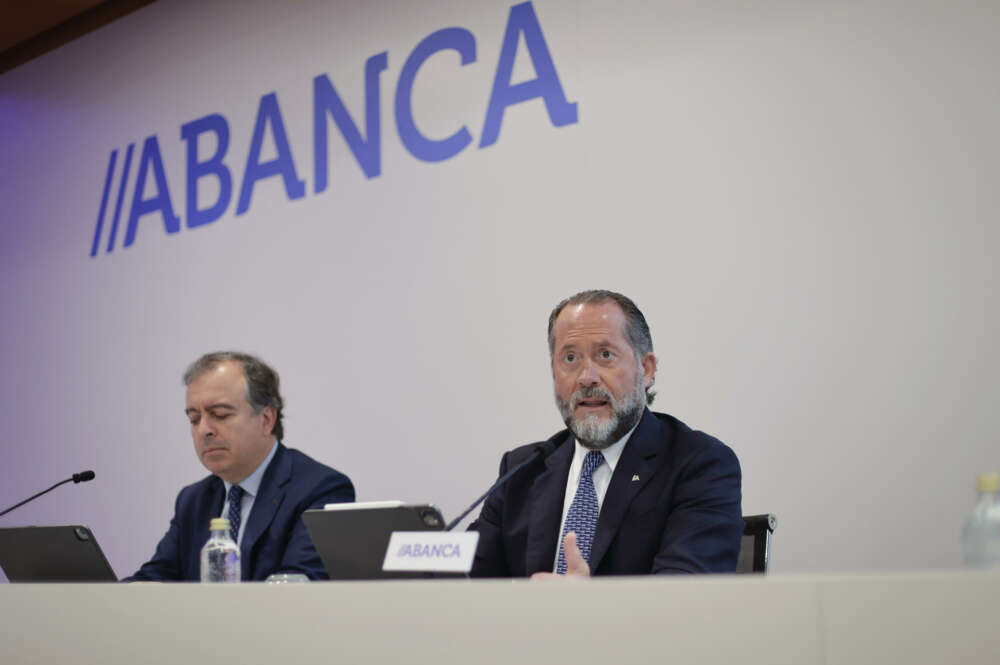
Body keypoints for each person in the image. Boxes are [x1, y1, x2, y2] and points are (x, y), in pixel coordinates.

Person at [470, 290, 742, 578]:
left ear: (646, 369)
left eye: (605, 355)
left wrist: (589, 608)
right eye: (570, 358)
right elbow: (465, 582)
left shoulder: (699, 464)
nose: (587, 377)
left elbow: (683, 595)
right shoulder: (522, 470)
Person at [124, 351, 354, 581]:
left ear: (266, 420)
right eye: (194, 419)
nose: (204, 430)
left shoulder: (320, 490)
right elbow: (155, 578)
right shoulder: (193, 500)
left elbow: (298, 585)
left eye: (220, 415)